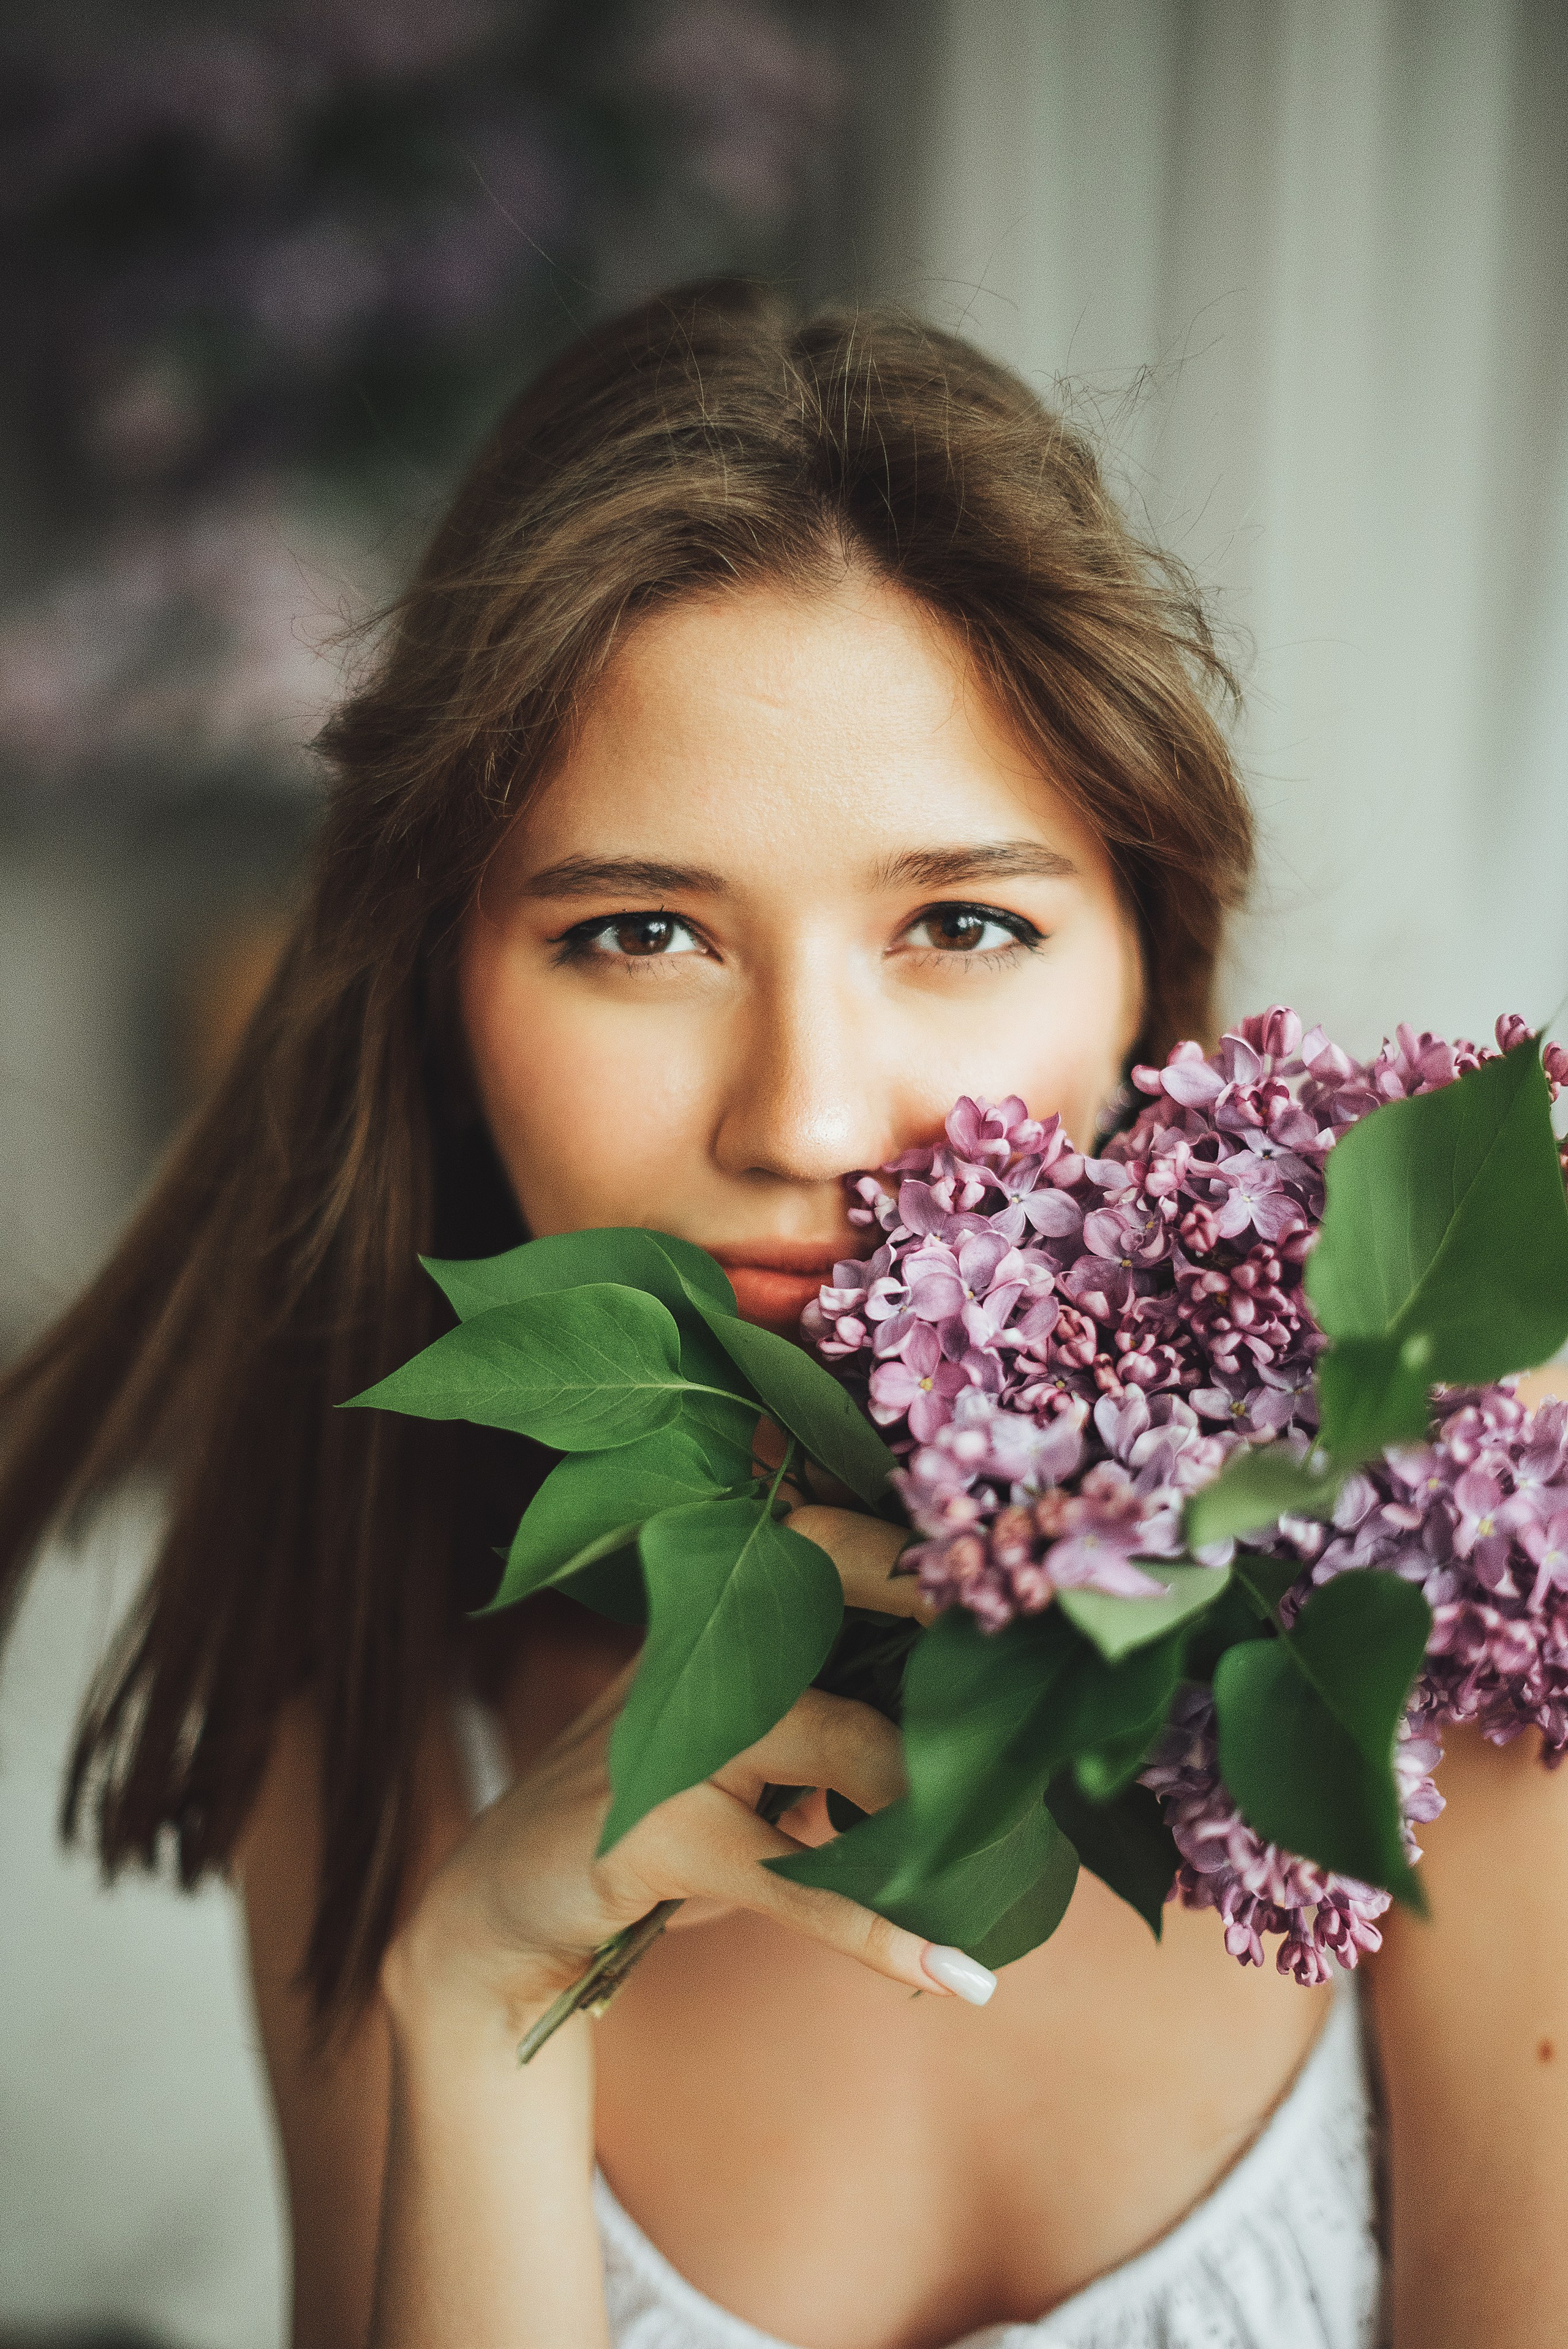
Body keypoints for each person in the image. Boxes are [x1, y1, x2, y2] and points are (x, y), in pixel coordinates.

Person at [2, 283, 1564, 2349]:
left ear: (1140, 966)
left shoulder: (1452, 1561)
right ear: (446, 994)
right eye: (639, 932)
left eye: (960, 924)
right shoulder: (368, 1703)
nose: (811, 1113)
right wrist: (472, 2002)